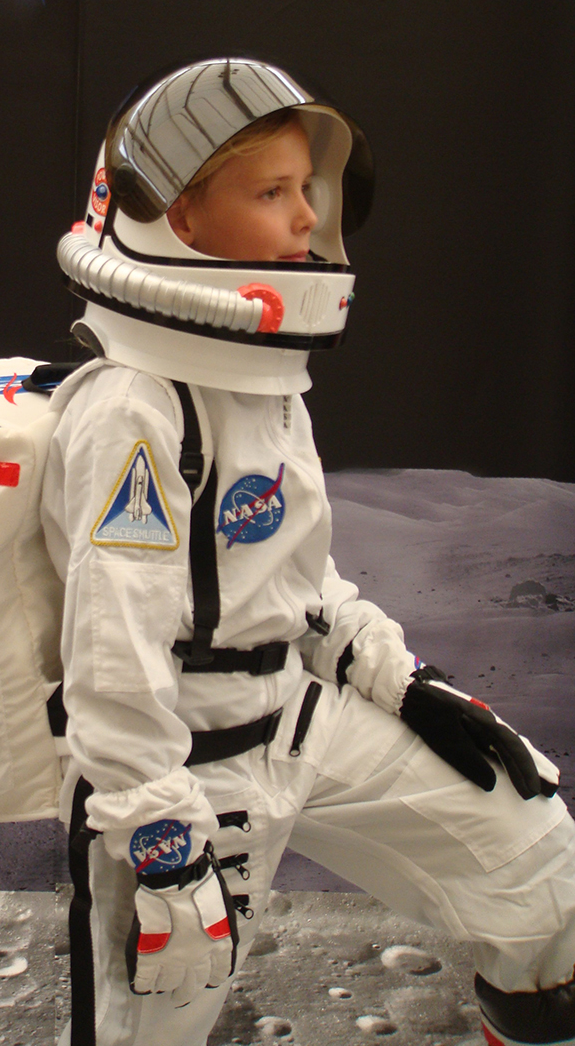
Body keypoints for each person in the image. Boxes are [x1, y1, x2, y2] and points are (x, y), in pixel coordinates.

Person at [43, 58, 575, 1046]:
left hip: (295, 720)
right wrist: (162, 841)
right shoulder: (134, 409)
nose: (305, 217)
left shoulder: (261, 383)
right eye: (273, 193)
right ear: (181, 220)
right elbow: (111, 659)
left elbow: (293, 576)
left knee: (537, 864)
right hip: (185, 768)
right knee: (154, 1016)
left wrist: (398, 678)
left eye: (308, 190)